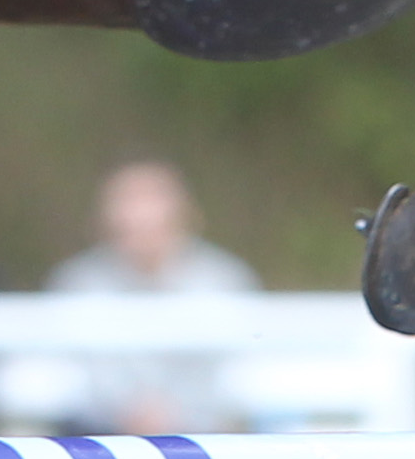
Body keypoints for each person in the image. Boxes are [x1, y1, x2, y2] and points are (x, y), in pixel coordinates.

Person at [44, 159, 260, 435]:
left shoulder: (223, 279)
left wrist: (177, 409)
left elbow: (225, 366)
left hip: (204, 436)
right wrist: (127, 408)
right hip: (100, 438)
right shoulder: (78, 281)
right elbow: (79, 367)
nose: (140, 217)